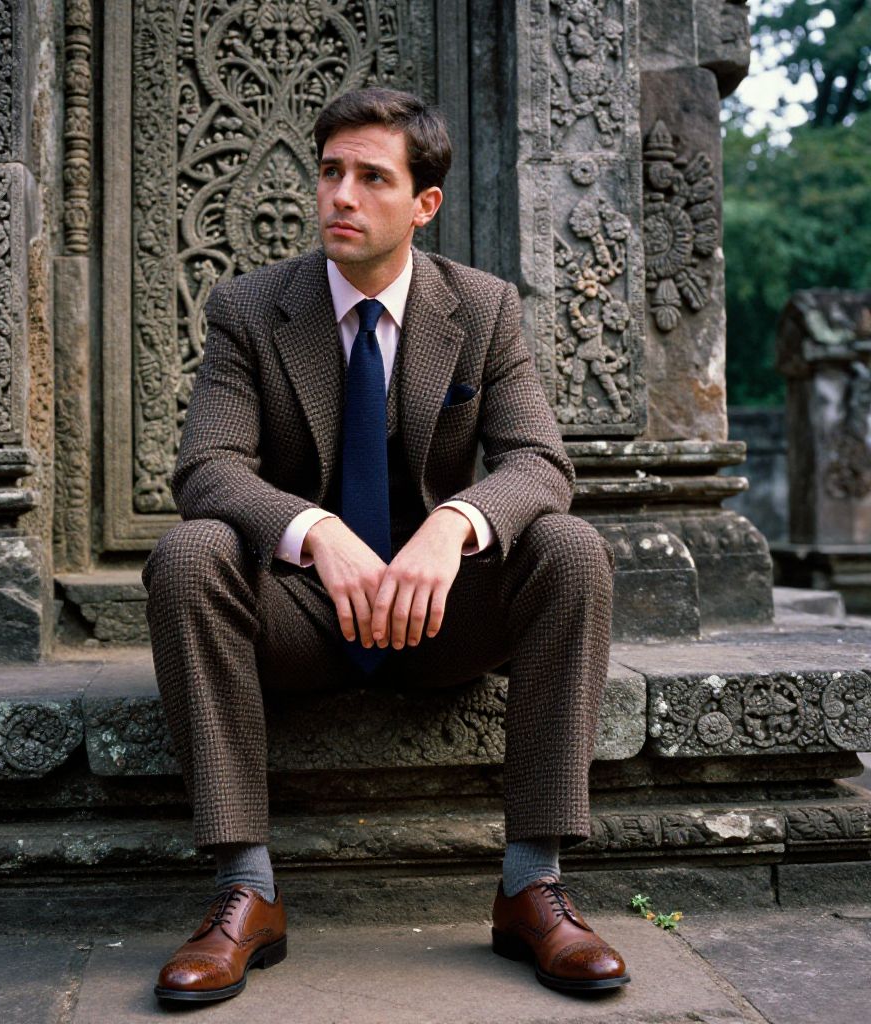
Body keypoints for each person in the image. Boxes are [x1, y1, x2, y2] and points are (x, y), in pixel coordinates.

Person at [143, 86, 628, 1003]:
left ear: (424, 204)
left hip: (444, 617)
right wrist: (315, 532)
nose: (341, 196)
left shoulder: (481, 309)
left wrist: (455, 524)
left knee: (570, 550)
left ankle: (532, 884)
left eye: (372, 177)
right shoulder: (250, 309)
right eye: (330, 172)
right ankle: (245, 891)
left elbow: (538, 462)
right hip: (301, 622)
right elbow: (207, 468)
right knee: (188, 553)